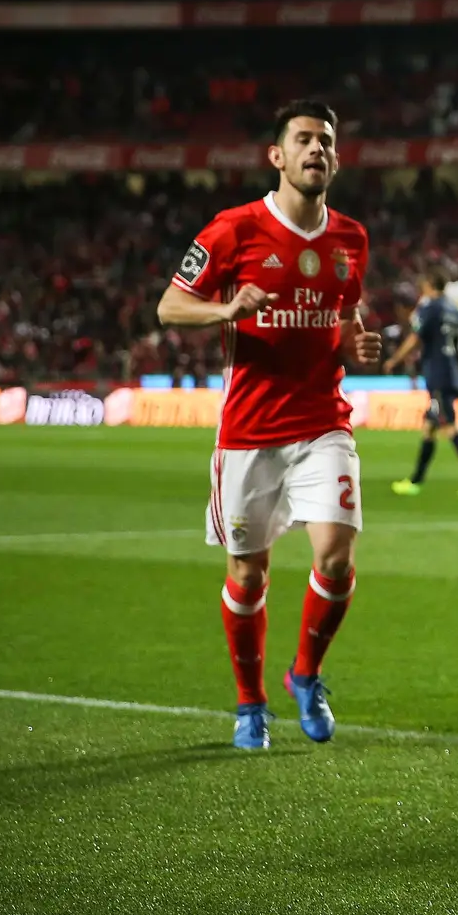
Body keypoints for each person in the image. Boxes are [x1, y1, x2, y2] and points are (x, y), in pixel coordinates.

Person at [155, 99, 380, 750]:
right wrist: (227, 309)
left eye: (327, 141)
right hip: (250, 432)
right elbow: (171, 307)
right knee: (248, 574)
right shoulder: (234, 229)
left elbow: (345, 320)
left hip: (323, 424)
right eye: (304, 139)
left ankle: (305, 674)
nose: (317, 150)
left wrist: (355, 347)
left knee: (336, 558)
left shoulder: (351, 239)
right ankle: (249, 703)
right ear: (277, 156)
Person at [387, 274, 458, 497]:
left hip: (438, 374)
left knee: (449, 427)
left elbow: (416, 337)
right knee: (429, 428)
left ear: (430, 284)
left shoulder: (431, 308)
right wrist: (456, 363)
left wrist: (395, 359)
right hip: (452, 372)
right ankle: (416, 481)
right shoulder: (455, 311)